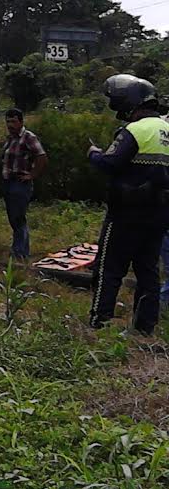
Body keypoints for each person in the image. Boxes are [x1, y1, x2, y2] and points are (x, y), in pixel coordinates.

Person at [88, 74, 169, 335]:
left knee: (109, 268)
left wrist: (94, 153)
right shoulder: (166, 129)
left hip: (125, 213)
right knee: (148, 272)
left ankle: (100, 323)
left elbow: (109, 164)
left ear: (133, 104)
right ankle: (144, 328)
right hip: (158, 214)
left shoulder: (135, 130)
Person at [1, 108, 47, 260]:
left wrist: (32, 175)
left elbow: (41, 156)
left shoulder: (28, 137)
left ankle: (20, 253)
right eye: (8, 121)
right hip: (8, 183)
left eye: (13, 121)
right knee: (13, 218)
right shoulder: (10, 138)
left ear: (21, 122)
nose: (10, 125)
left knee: (18, 218)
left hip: (20, 183)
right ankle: (18, 249)